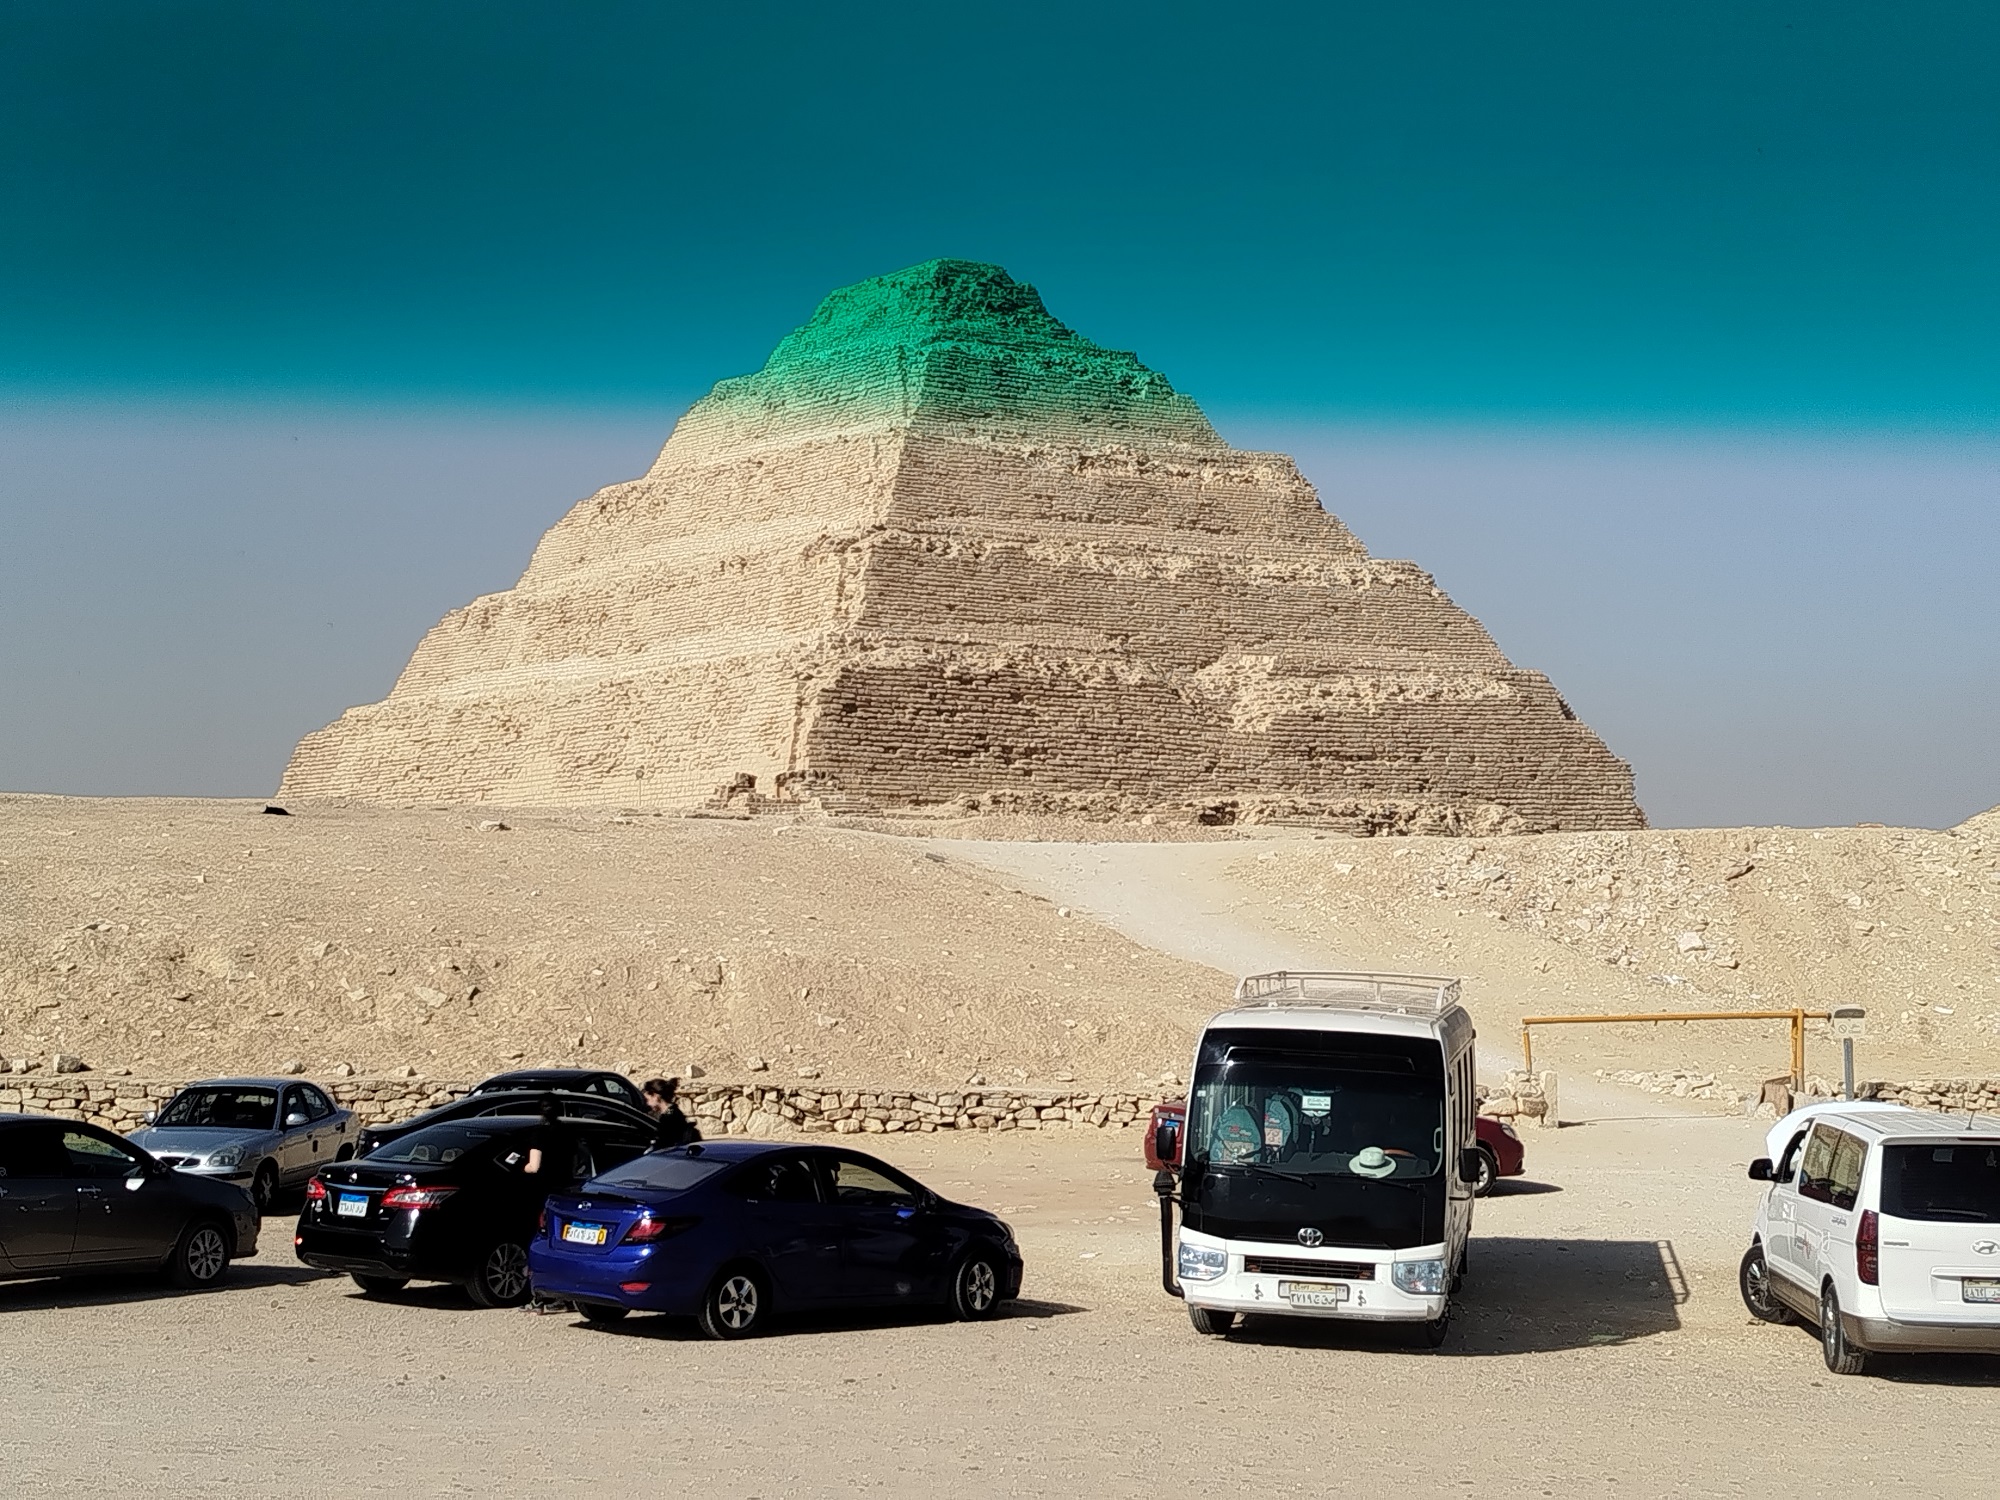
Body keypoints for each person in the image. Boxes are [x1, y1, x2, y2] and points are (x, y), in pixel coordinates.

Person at [643, 1077, 700, 1151]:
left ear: (656, 1096)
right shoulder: (673, 1112)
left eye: (648, 1100)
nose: (647, 1103)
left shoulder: (669, 1117)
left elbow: (666, 1142)